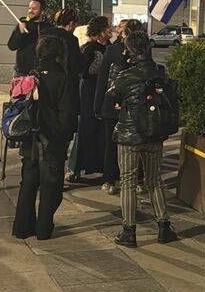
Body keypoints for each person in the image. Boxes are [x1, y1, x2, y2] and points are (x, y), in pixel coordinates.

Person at [105, 30, 177, 247]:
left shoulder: (126, 75)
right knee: (154, 180)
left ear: (129, 49)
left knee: (128, 181)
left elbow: (111, 94)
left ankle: (129, 230)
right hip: (154, 132)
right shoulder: (159, 72)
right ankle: (164, 226)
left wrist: (116, 69)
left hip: (130, 135)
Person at [13, 34, 79, 240]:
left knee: (28, 184)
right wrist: (65, 136)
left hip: (30, 138)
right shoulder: (63, 78)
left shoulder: (31, 76)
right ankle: (43, 228)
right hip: (52, 140)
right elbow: (67, 113)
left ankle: (22, 227)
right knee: (51, 187)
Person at [95, 19, 143, 194]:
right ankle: (136, 179)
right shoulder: (143, 52)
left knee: (111, 143)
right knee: (136, 143)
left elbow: (102, 79)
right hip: (134, 103)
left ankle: (110, 180)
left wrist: (98, 104)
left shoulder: (112, 50)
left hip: (111, 101)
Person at [72, 16, 111, 181]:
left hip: (104, 92)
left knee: (101, 130)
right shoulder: (89, 48)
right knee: (87, 128)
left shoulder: (109, 47)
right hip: (90, 92)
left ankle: (99, 165)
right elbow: (84, 71)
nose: (110, 30)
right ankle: (78, 167)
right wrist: (100, 65)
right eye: (107, 28)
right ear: (100, 31)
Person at [7, 0, 47, 75]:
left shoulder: (47, 27)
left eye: (34, 9)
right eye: (29, 8)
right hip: (23, 72)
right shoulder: (23, 23)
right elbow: (11, 46)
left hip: (41, 71)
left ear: (42, 12)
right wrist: (20, 33)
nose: (30, 11)